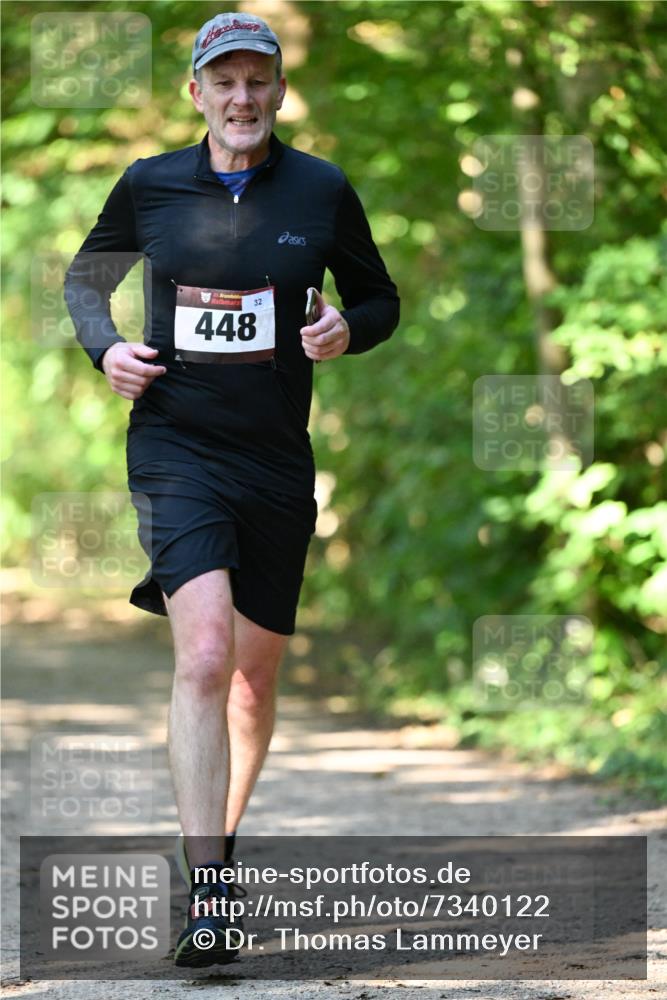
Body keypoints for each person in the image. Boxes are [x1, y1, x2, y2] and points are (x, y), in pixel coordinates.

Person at [64, 11, 399, 968]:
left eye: (257, 81)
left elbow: (379, 298)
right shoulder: (151, 184)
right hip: (175, 445)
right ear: (196, 92)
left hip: (275, 459)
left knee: (252, 679)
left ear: (280, 90)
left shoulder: (321, 189)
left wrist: (347, 330)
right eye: (224, 81)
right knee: (205, 655)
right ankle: (210, 894)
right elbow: (87, 280)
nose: (241, 98)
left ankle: (216, 843)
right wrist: (106, 348)